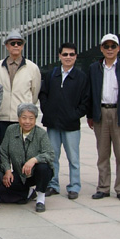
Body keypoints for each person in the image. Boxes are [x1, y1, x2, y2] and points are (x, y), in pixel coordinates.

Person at [87, 34, 120, 203]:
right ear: (101, 49)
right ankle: (103, 187)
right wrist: (90, 115)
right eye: (106, 46)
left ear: (118, 48)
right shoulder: (94, 68)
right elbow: (90, 93)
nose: (109, 49)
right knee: (102, 154)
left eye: (113, 46)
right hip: (101, 113)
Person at [39, 42, 89, 200]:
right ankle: (53, 184)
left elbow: (86, 101)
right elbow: (43, 94)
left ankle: (74, 186)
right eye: (65, 54)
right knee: (52, 157)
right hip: (53, 124)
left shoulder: (81, 77)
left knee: (73, 158)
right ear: (59, 56)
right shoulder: (51, 74)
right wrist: (47, 110)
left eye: (71, 54)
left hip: (71, 125)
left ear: (76, 56)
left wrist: (74, 115)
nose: (68, 57)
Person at [0, 103, 54, 213]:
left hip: (35, 174)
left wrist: (34, 160)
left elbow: (50, 154)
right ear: (18, 118)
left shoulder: (41, 134)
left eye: (31, 118)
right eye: (24, 118)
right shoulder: (11, 130)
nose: (27, 122)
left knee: (43, 167)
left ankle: (40, 198)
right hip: (20, 174)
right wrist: (7, 170)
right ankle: (28, 192)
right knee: (0, 190)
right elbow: (4, 152)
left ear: (35, 119)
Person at [0, 30, 41, 143]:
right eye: (12, 43)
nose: (16, 45)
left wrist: (26, 109)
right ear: (7, 46)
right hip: (2, 117)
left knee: (22, 150)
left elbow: (35, 93)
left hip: (23, 118)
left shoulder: (32, 68)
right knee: (3, 150)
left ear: (22, 46)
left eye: (19, 43)